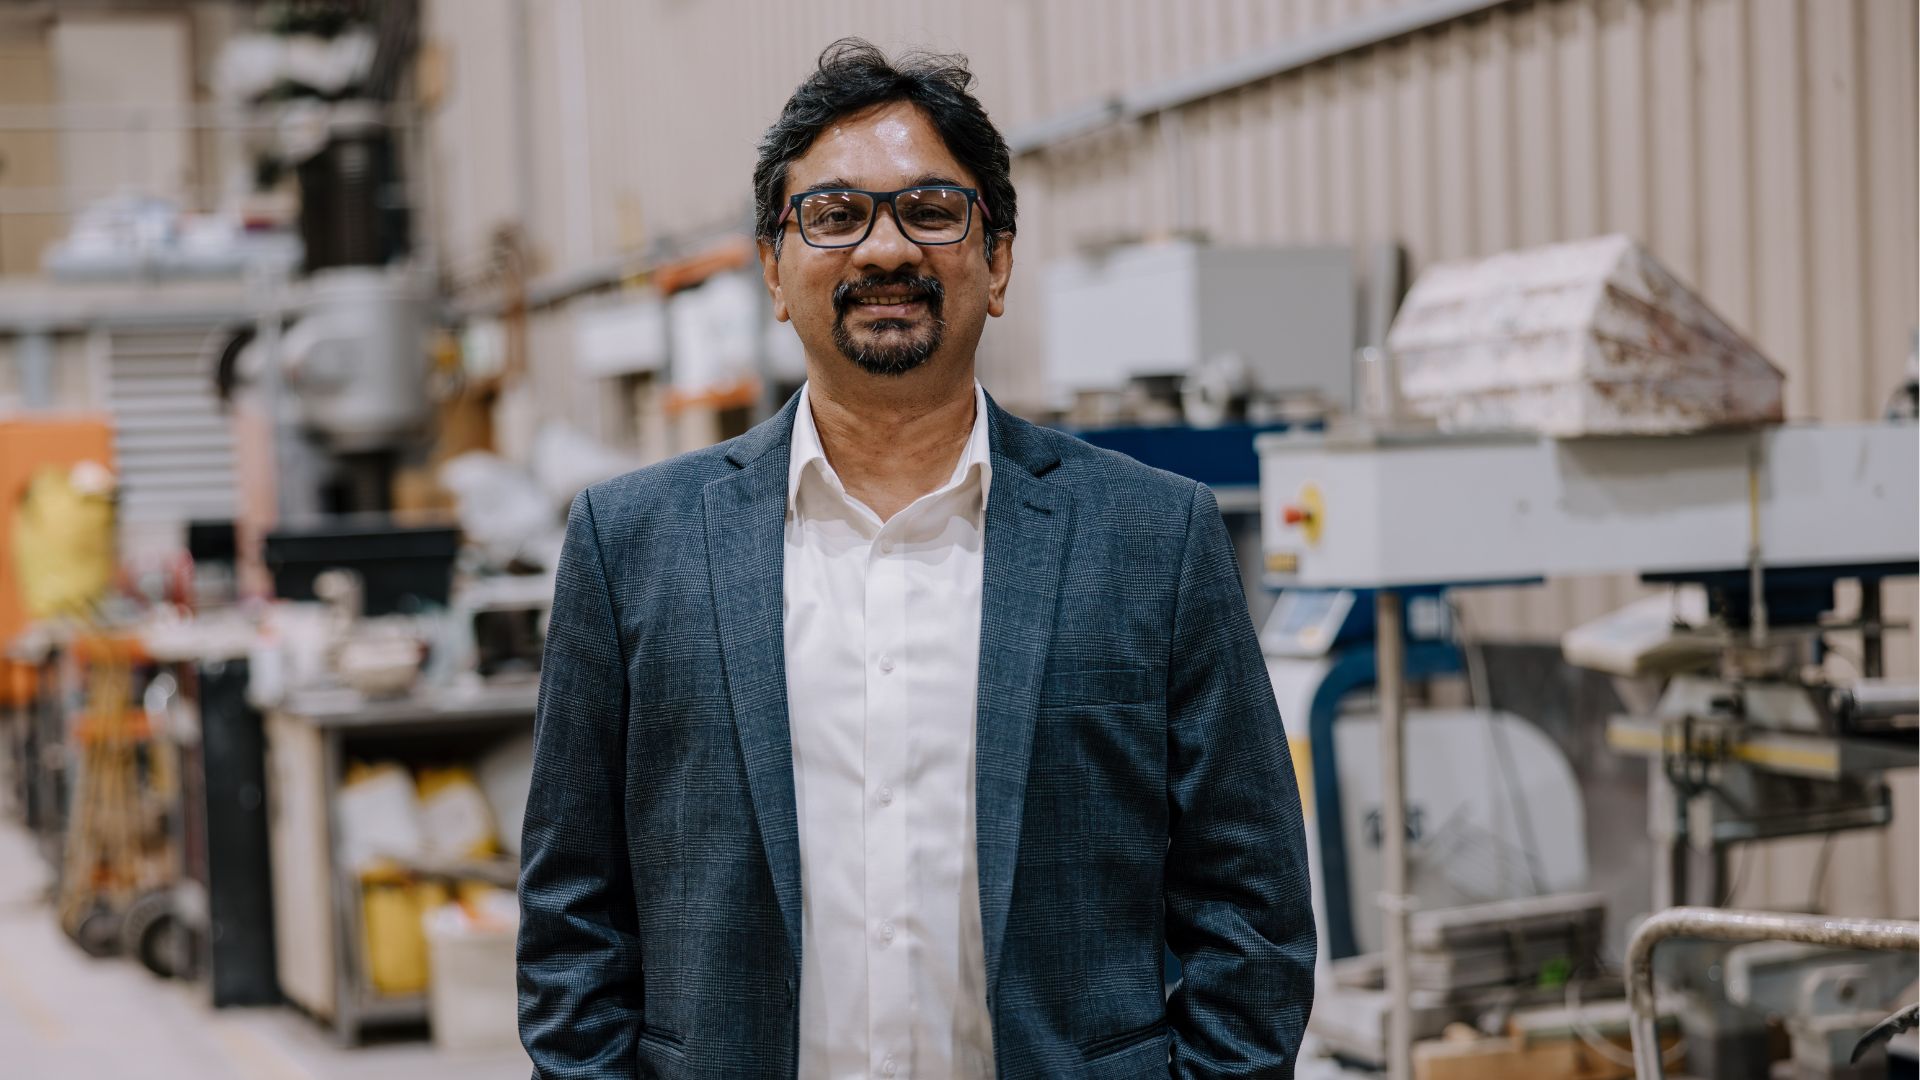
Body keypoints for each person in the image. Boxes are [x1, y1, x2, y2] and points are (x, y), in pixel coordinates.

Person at [518, 38, 1315, 1080]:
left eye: (932, 211)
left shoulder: (1150, 539)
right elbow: (571, 917)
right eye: (835, 215)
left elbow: (1251, 906)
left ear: (997, 260)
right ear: (772, 265)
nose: (884, 250)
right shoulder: (634, 547)